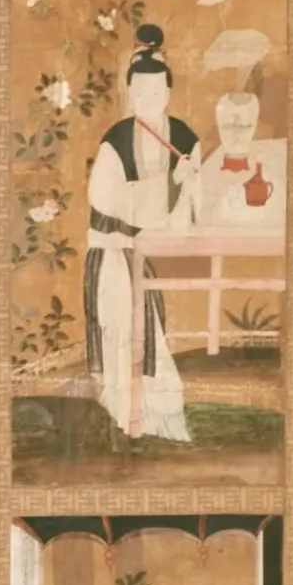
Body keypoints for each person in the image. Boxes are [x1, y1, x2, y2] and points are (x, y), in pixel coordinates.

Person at [84, 25, 198, 443]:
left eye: (156, 91)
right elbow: (106, 200)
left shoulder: (184, 137)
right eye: (140, 92)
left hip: (158, 247)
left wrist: (186, 184)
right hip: (115, 248)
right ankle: (131, 414)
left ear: (168, 92)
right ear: (130, 93)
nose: (148, 98)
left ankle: (151, 416)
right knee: (124, 320)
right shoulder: (115, 141)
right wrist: (169, 184)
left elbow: (192, 203)